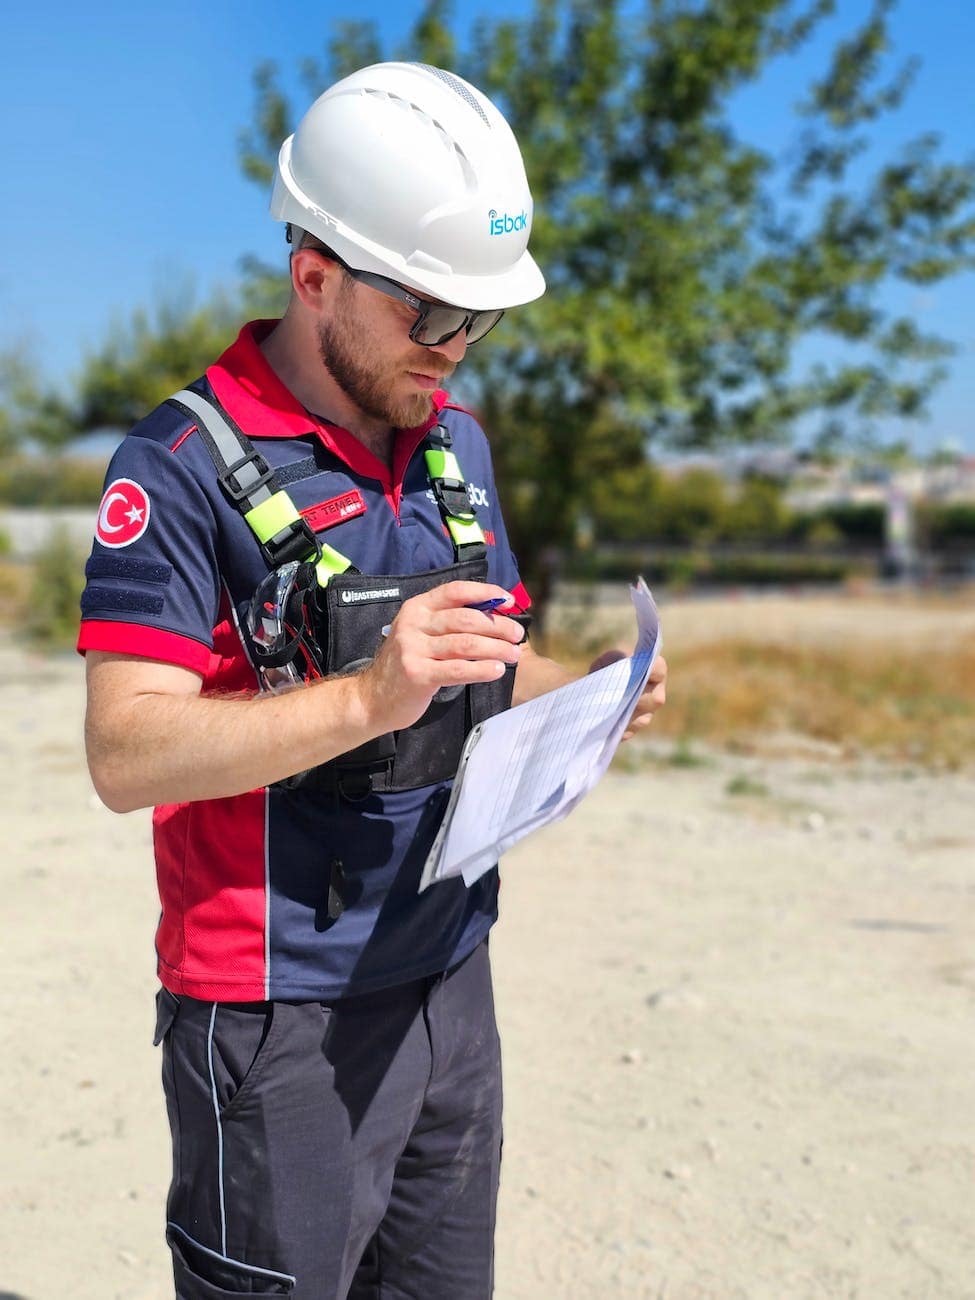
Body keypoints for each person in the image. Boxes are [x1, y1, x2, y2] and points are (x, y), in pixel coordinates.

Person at [80, 61, 667, 1299]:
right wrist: (358, 699)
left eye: (478, 319)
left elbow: (485, 663)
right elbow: (124, 753)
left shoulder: (453, 442)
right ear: (316, 278)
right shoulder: (182, 465)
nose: (455, 351)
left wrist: (591, 688)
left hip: (449, 975)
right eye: (429, 317)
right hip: (273, 1012)